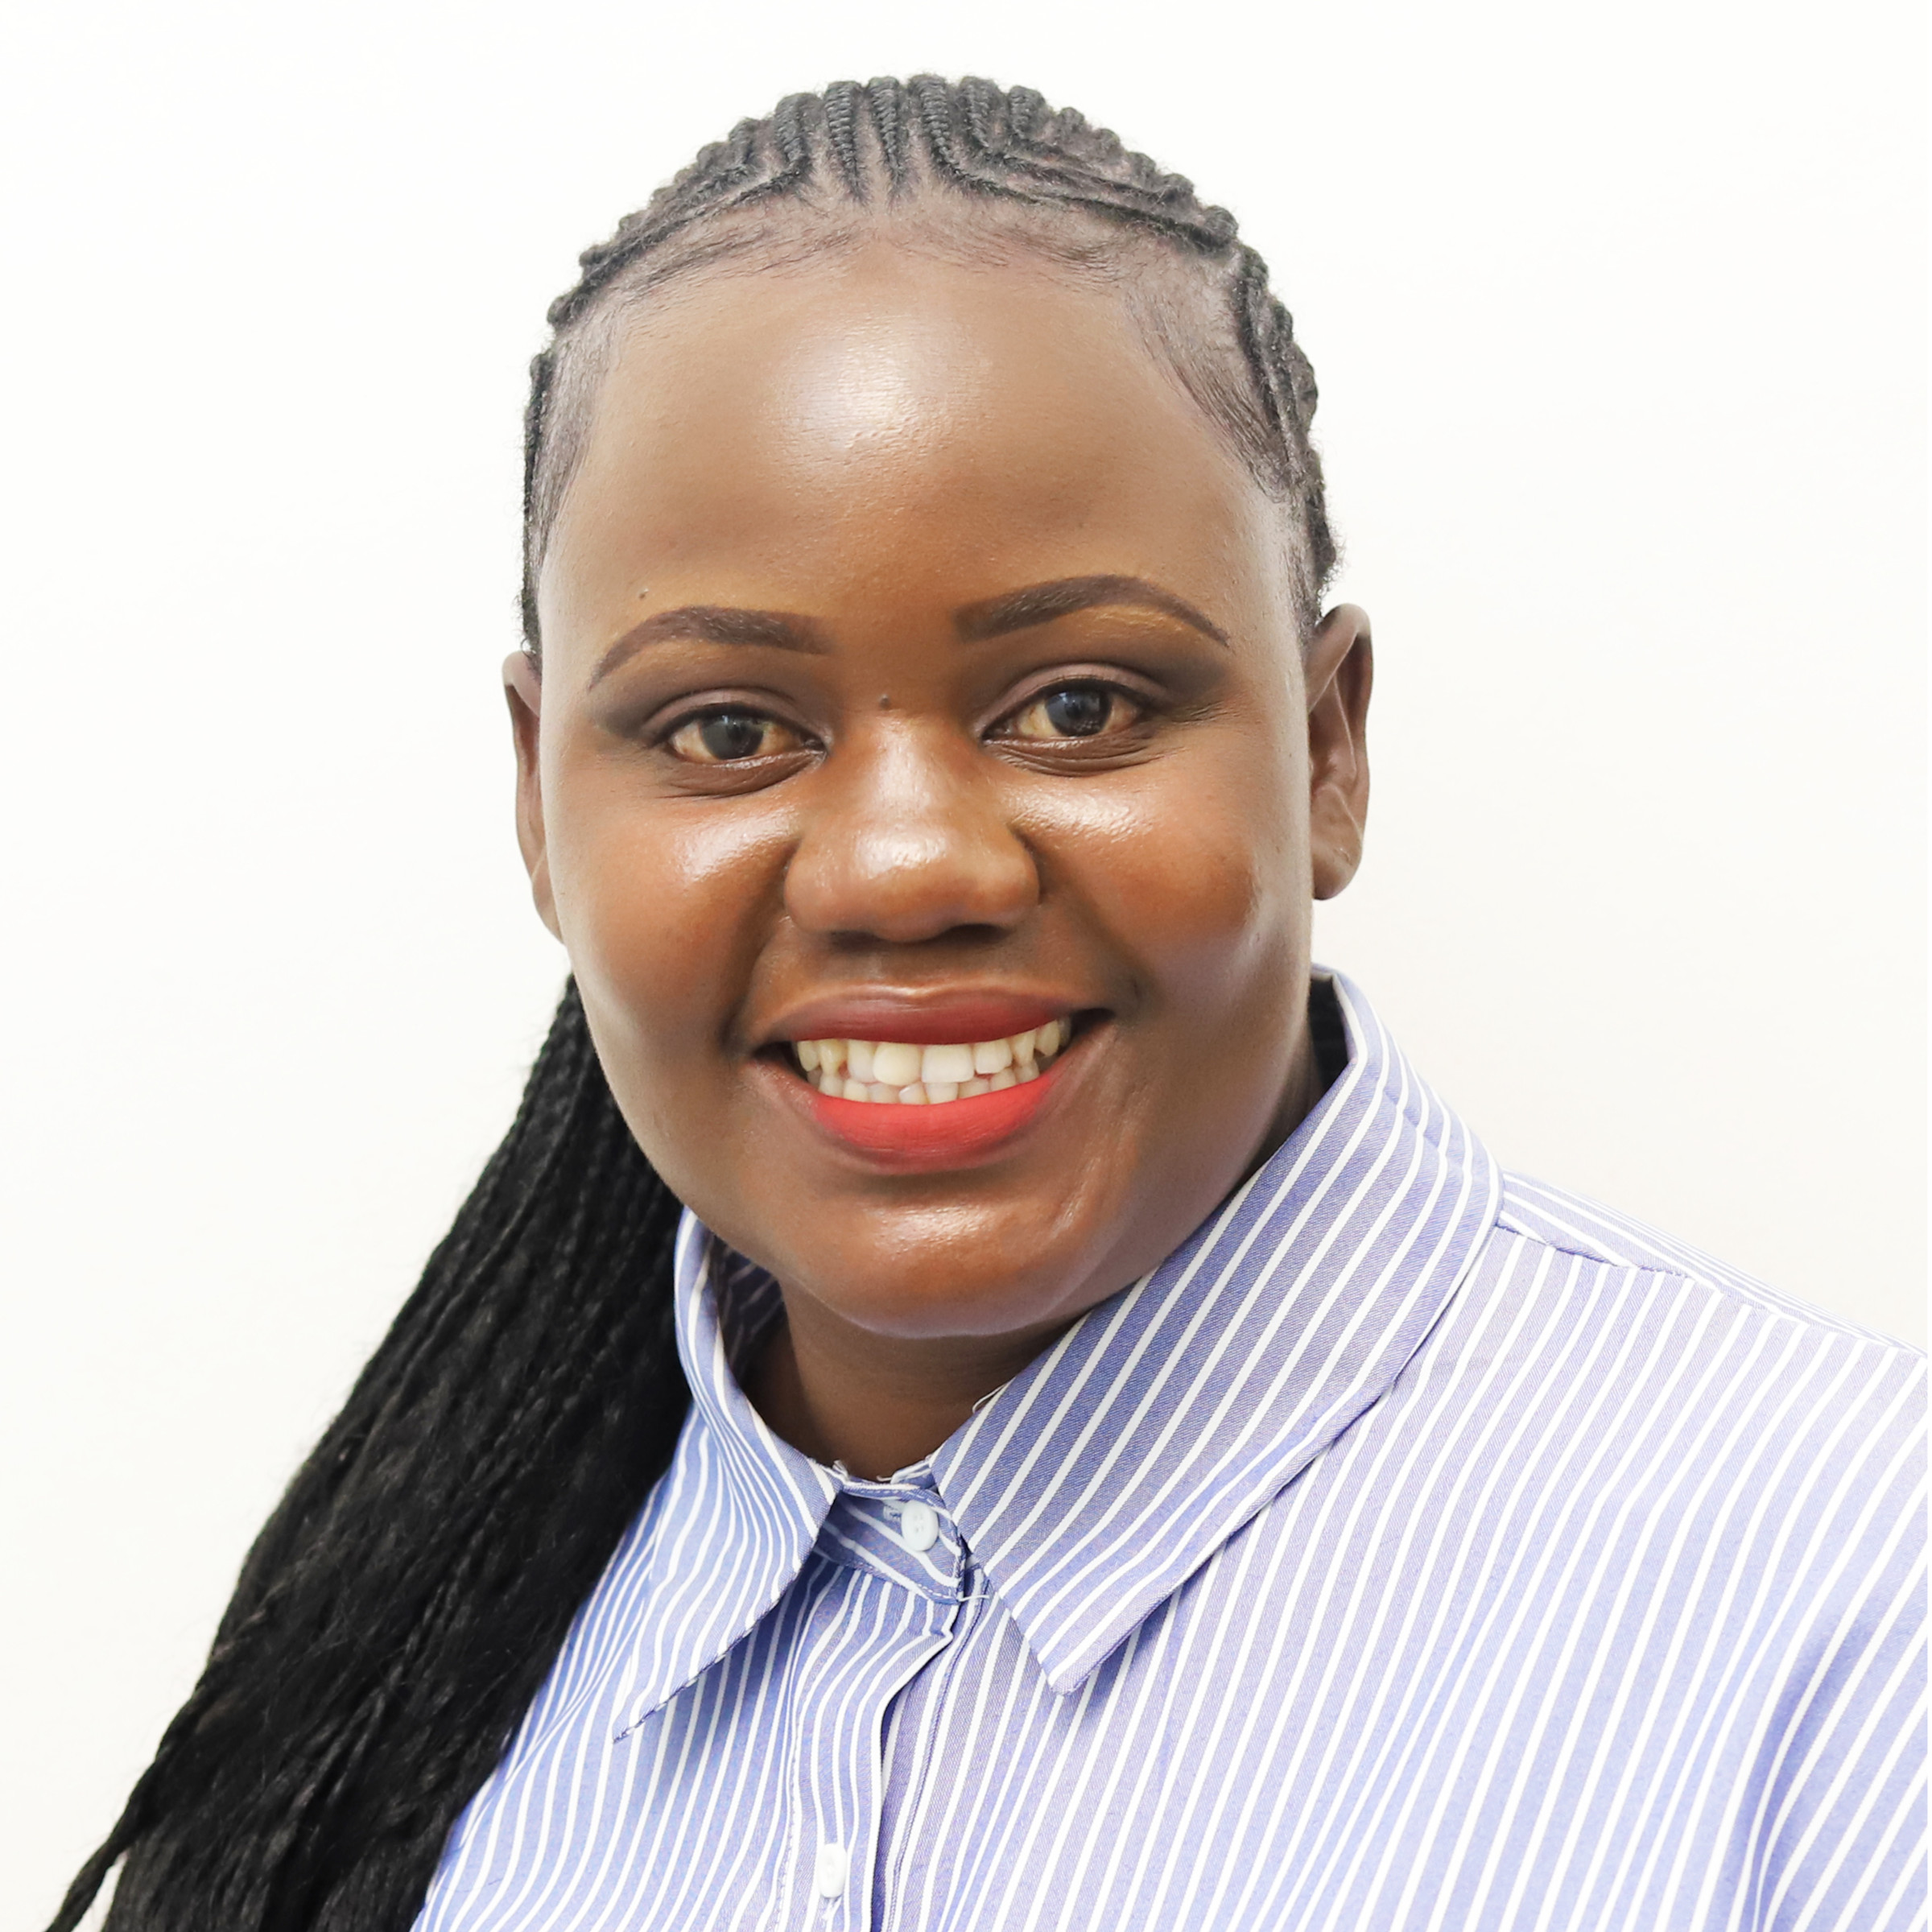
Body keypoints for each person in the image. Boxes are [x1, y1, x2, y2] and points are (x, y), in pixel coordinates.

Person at [52, 76, 1923, 1932]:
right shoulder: (414, 1654)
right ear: (540, 803)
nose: (904, 868)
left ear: (1329, 750)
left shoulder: (1858, 1597)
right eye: (728, 730)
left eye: (1080, 706)